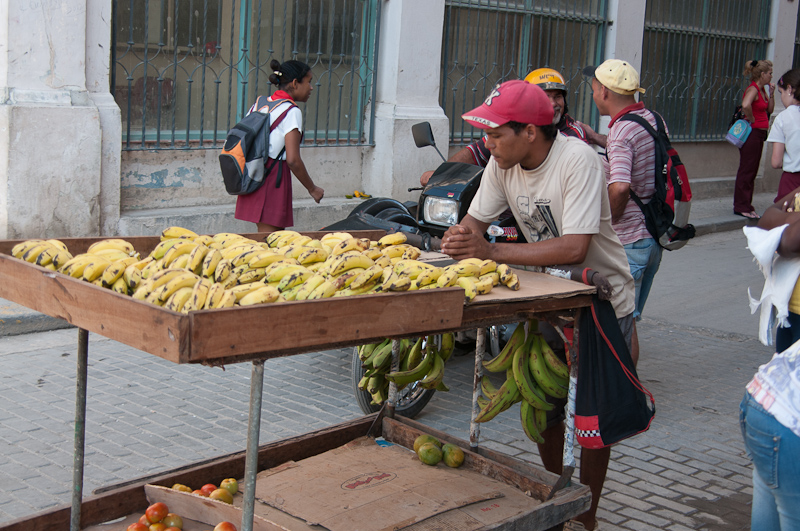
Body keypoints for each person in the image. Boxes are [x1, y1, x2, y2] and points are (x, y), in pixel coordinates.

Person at [440, 79, 635, 531]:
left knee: (592, 423)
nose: (487, 144)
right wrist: (455, 241)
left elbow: (574, 249)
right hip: (549, 301)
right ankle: (556, 498)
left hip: (602, 305)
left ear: (530, 131)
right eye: (485, 135)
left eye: (495, 134)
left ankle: (586, 517)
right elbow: (473, 225)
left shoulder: (578, 160)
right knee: (545, 411)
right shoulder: (501, 164)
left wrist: (491, 252)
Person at [582, 59, 667, 366]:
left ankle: (623, 391)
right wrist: (595, 138)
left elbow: (619, 187)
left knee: (619, 325)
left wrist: (608, 221)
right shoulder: (651, 118)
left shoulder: (620, 132)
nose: (592, 94)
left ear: (604, 91)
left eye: (593, 88)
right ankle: (625, 388)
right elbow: (634, 149)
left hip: (628, 240)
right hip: (651, 237)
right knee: (629, 320)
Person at [419, 68, 604, 187]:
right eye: (544, 96)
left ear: (530, 134)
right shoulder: (500, 159)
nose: (553, 103)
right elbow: (475, 151)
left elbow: (574, 245)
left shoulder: (575, 145)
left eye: (557, 96)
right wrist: (442, 175)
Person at [741, 198, 800, 529]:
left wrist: (789, 217)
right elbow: (776, 225)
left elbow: (781, 223)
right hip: (784, 422)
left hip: (766, 402)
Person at [234, 59, 324, 232]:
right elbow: (293, 160)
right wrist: (312, 189)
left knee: (269, 239)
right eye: (309, 82)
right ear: (295, 83)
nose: (311, 87)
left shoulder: (260, 103)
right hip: (272, 178)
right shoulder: (292, 111)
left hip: (254, 174)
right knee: (270, 243)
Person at [733, 59, 775, 219]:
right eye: (770, 73)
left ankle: (746, 204)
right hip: (752, 133)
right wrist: (750, 119)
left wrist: (771, 95)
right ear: (762, 74)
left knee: (751, 171)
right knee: (747, 170)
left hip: (759, 134)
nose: (771, 76)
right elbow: (745, 104)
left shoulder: (762, 90)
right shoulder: (753, 89)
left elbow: (769, 110)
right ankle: (741, 206)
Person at [768, 68, 800, 201]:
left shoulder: (783, 118)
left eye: (781, 92)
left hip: (792, 182)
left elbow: (776, 162)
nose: (781, 98)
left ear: (789, 89)